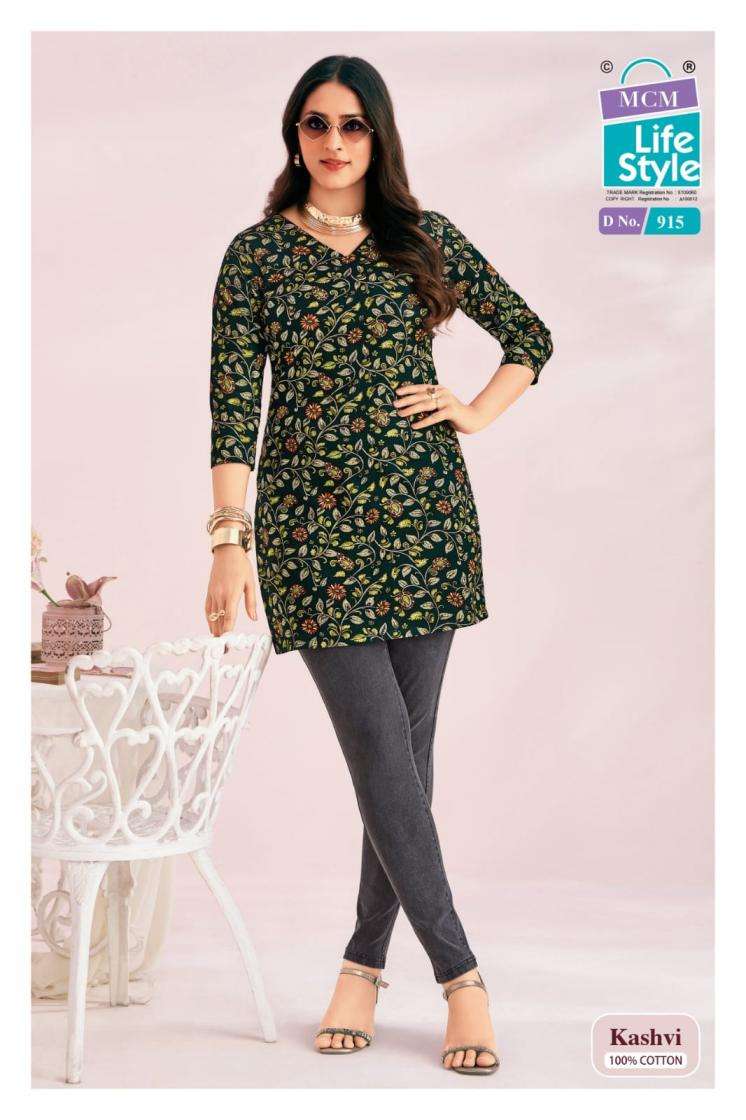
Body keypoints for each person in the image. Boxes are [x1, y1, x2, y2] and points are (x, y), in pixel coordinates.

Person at [205, 54, 553, 1075]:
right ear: (294, 134)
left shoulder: (420, 239)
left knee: (401, 762)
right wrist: (228, 540)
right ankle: (461, 977)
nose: (332, 141)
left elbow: (528, 336)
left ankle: (361, 965)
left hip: (423, 525)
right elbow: (232, 408)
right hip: (312, 538)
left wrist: (473, 411)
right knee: (380, 754)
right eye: (315, 123)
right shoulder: (256, 256)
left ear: (377, 135)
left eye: (351, 124)